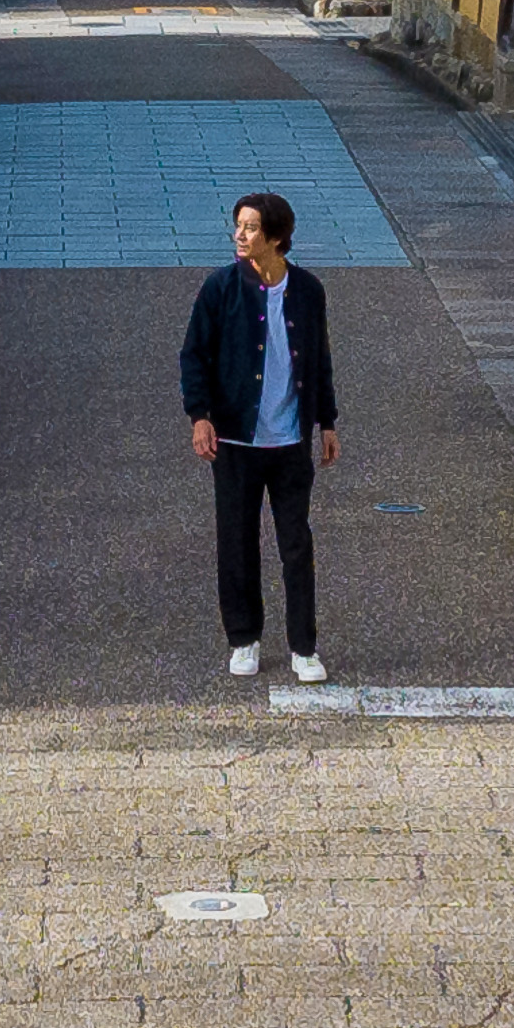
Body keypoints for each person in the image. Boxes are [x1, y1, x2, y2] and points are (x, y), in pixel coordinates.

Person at [179, 189, 342, 681]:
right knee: (237, 542)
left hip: (290, 442)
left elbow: (319, 359)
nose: (239, 235)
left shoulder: (308, 291)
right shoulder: (220, 288)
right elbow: (194, 356)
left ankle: (303, 648)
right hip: (235, 443)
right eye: (238, 226)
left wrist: (327, 421)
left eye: (250, 228)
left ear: (275, 237)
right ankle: (244, 638)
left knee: (297, 544)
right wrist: (200, 416)